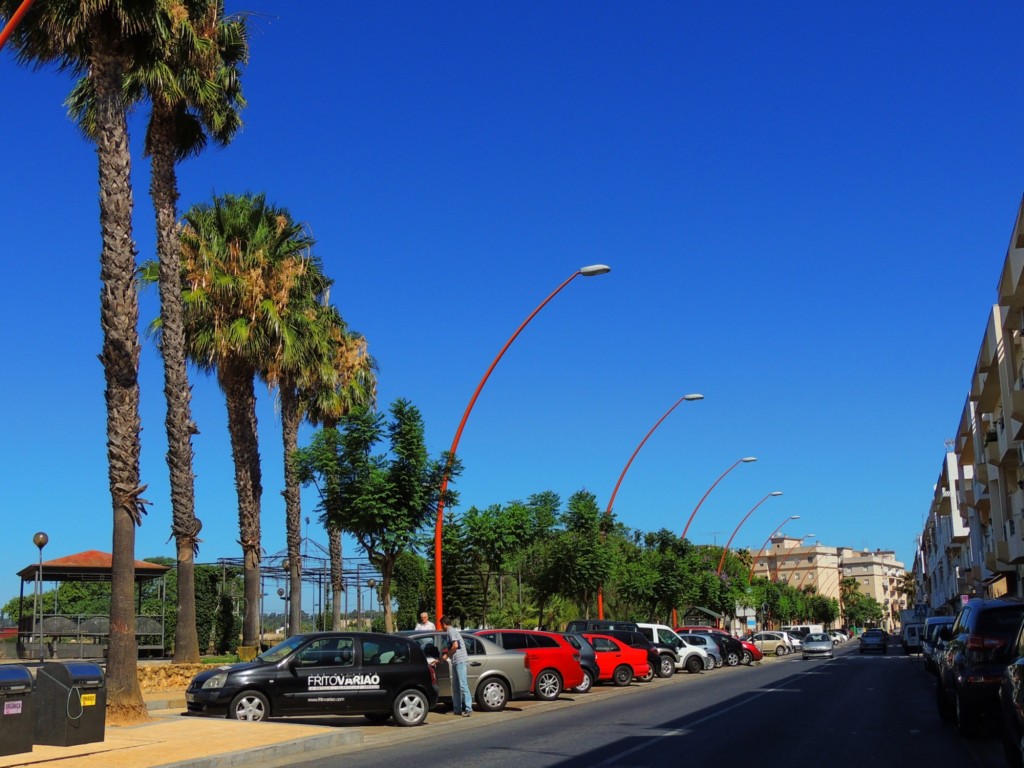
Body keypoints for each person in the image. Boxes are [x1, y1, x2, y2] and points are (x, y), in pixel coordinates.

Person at [436, 614, 471, 716]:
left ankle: (468, 709)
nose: (441, 627)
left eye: (441, 625)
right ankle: (457, 709)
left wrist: (447, 655)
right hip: (456, 661)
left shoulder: (451, 631)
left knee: (463, 685)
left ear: (444, 624)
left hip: (460, 660)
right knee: (456, 686)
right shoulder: (450, 632)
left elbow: (455, 646)